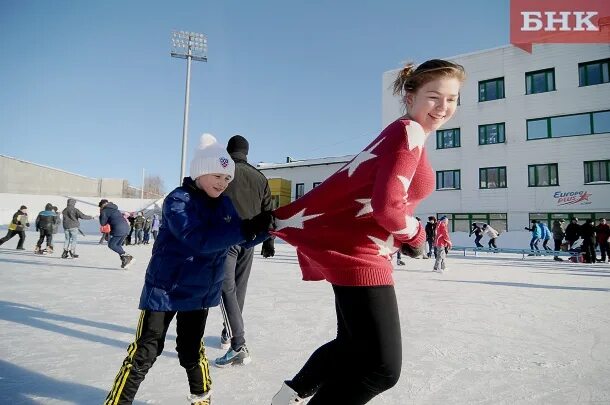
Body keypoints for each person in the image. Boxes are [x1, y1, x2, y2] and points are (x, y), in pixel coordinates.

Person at [270, 59, 465, 404]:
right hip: (362, 256)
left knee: (351, 346)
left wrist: (400, 236)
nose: (444, 107)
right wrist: (416, 235)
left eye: (452, 99)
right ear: (410, 96)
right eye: (434, 96)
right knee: (380, 368)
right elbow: (388, 205)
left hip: (363, 251)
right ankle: (293, 393)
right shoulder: (410, 132)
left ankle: (290, 394)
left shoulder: (404, 132)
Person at [103, 134, 272, 405]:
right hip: (165, 289)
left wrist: (266, 228)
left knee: (191, 352)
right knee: (146, 350)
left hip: (199, 293)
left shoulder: (224, 205)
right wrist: (245, 227)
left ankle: (202, 400)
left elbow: (238, 236)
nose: (223, 182)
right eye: (217, 176)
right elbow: (197, 239)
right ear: (200, 172)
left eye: (227, 178)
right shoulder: (178, 200)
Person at [214, 134, 274, 368]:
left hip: (226, 239)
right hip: (248, 241)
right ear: (247, 152)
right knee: (238, 288)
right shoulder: (260, 177)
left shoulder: (224, 172)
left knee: (225, 288)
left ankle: (238, 342)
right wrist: (268, 242)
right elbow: (269, 211)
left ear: (229, 150)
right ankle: (228, 333)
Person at [99, 199, 134, 269]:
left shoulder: (104, 210)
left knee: (111, 245)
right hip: (126, 228)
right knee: (117, 245)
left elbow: (103, 223)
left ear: (102, 205)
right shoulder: (115, 209)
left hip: (119, 229)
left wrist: (101, 214)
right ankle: (125, 260)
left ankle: (128, 257)